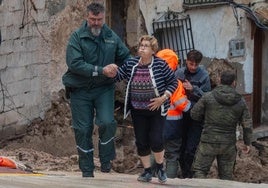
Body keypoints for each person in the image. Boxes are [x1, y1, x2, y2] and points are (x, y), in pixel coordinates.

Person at [62, 2, 130, 178]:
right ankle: (87, 170)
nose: (96, 23)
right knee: (83, 129)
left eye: (99, 19)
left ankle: (106, 162)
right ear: (87, 17)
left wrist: (118, 72)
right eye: (93, 19)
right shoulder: (77, 37)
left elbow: (126, 58)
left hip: (104, 88)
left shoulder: (111, 36)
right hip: (80, 89)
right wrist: (101, 70)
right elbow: (74, 63)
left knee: (107, 122)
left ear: (103, 18)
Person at [109, 35, 178, 183]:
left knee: (156, 139)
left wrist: (163, 98)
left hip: (157, 110)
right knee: (141, 141)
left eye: (146, 46)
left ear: (153, 50)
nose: (142, 48)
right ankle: (147, 171)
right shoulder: (131, 63)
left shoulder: (160, 65)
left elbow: (173, 83)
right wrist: (110, 71)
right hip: (137, 110)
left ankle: (160, 167)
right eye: (141, 45)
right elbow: (118, 76)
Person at [190, 70, 253, 180]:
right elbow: (247, 124)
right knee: (226, 176)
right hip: (228, 143)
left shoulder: (208, 96)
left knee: (199, 171)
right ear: (234, 82)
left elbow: (194, 114)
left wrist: (206, 119)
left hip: (208, 141)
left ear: (219, 80)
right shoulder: (240, 101)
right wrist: (247, 142)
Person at [174, 49, 211, 178]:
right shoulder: (178, 73)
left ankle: (189, 174)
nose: (193, 67)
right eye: (191, 64)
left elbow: (207, 97)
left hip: (196, 116)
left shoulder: (204, 75)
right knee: (181, 145)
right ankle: (183, 172)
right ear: (186, 61)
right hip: (180, 115)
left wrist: (193, 89)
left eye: (196, 64)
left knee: (191, 147)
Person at [156, 49, 191, 178]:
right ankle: (169, 182)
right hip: (173, 126)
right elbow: (182, 105)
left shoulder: (151, 80)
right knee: (172, 155)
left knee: (156, 152)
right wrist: (191, 105)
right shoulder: (176, 83)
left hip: (155, 124)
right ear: (174, 64)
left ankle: (151, 179)